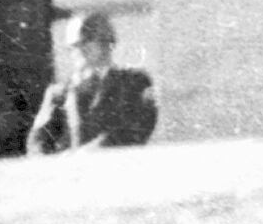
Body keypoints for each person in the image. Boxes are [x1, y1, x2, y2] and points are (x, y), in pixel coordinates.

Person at [23, 13, 162, 153]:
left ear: (108, 44)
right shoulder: (59, 94)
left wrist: (92, 152)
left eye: (87, 41)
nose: (80, 50)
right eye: (73, 46)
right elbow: (37, 141)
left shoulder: (134, 82)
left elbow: (137, 129)